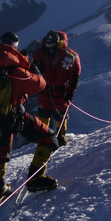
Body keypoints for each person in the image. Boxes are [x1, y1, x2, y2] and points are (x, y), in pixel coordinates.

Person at [0, 31, 59, 202]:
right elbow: (39, 85)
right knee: (49, 139)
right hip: (12, 116)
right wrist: (33, 69)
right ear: (14, 47)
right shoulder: (14, 71)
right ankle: (35, 179)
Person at [29, 30, 80, 191]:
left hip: (60, 91)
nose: (49, 49)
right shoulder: (41, 53)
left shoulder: (70, 56)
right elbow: (33, 65)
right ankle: (42, 137)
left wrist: (71, 90)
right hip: (45, 91)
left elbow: (75, 74)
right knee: (43, 115)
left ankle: (60, 137)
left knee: (61, 115)